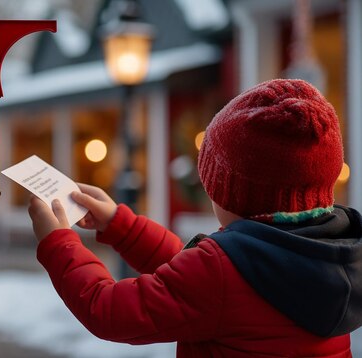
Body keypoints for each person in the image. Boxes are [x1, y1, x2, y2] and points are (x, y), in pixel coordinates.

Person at [27, 79, 362, 357]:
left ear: (233, 193)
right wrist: (120, 225)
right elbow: (197, 278)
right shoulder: (334, 253)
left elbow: (110, 311)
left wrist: (58, 243)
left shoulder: (221, 274)